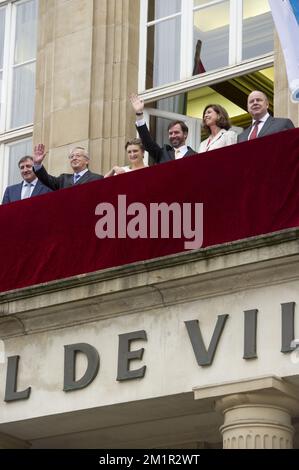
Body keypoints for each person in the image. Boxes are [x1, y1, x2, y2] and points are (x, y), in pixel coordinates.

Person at [130, 93, 197, 163]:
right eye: (170, 133)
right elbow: (147, 142)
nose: (173, 135)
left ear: (185, 134)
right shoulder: (162, 154)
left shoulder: (195, 156)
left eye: (176, 132)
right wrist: (139, 113)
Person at [33, 144, 103, 190]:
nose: (74, 158)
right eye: (71, 156)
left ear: (87, 161)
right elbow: (47, 179)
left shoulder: (97, 178)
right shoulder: (63, 179)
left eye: (78, 156)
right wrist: (37, 164)